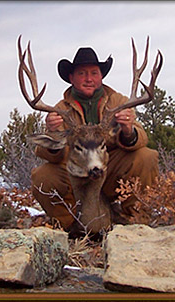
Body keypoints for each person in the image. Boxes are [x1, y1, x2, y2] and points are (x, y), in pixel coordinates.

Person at [31, 47, 159, 231]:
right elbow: (51, 155)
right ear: (71, 78)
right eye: (82, 73)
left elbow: (141, 138)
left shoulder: (118, 102)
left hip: (109, 172)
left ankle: (136, 222)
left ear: (101, 77)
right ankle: (69, 226)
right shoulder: (60, 110)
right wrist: (52, 132)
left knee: (146, 157)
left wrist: (128, 129)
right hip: (77, 177)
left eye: (94, 73)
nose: (89, 78)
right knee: (43, 175)